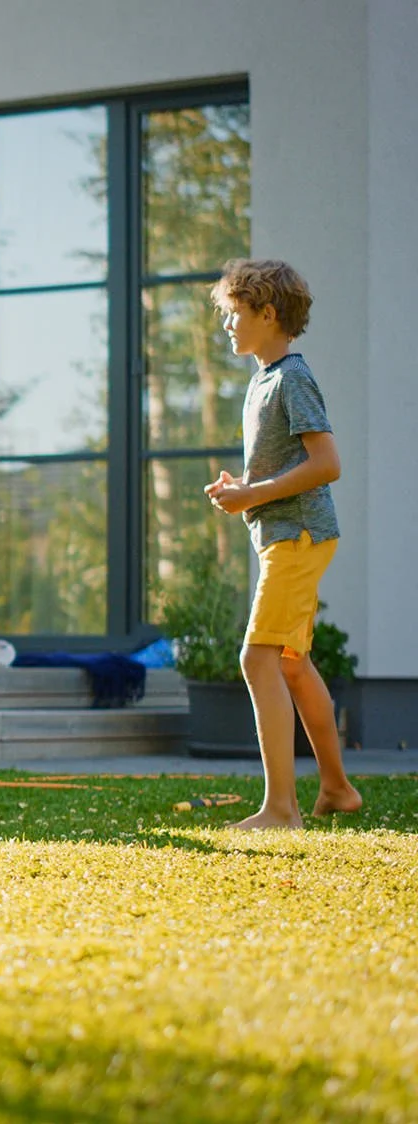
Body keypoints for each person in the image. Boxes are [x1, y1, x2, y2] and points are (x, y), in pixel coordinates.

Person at [203, 258, 362, 829]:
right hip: (287, 532)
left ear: (268, 314)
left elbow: (327, 463)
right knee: (293, 665)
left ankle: (280, 809)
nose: (227, 325)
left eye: (234, 315)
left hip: (298, 535)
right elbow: (290, 465)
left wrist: (257, 494)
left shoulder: (293, 376)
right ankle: (337, 790)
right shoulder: (264, 378)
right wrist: (245, 489)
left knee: (257, 659)